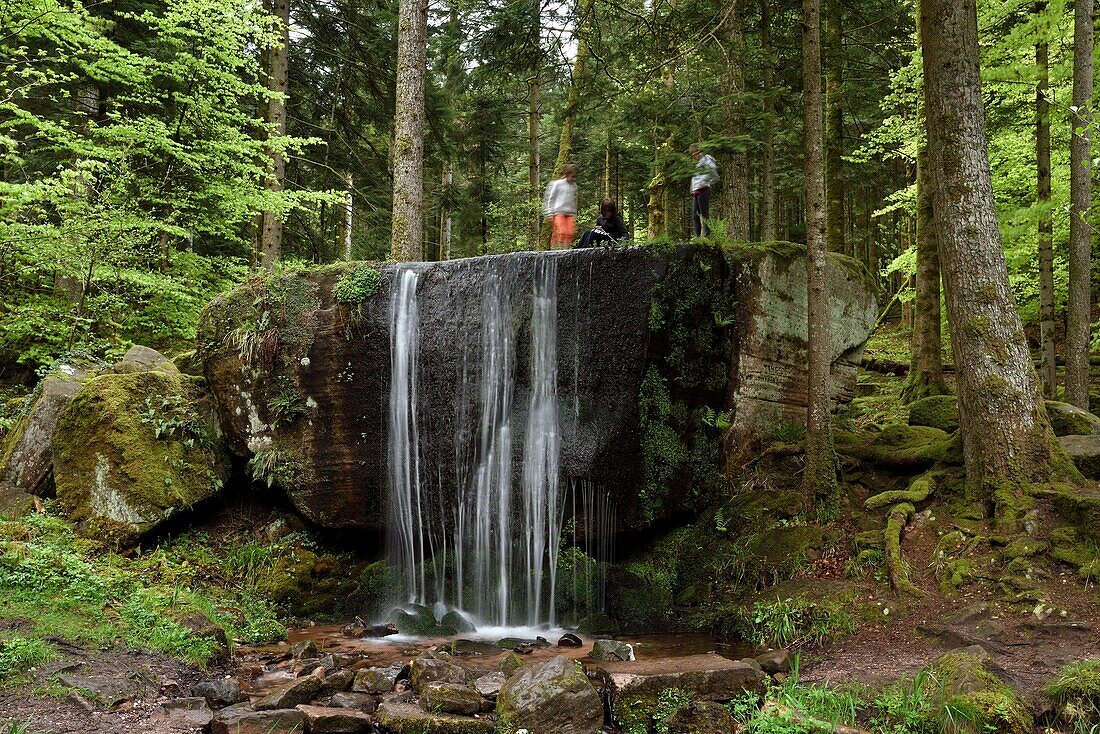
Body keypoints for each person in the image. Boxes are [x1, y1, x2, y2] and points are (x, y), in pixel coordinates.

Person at [544, 164, 579, 249]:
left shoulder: (574, 186)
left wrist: (575, 213)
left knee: (570, 233)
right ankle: (555, 249)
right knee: (562, 232)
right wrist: (549, 213)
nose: (574, 179)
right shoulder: (558, 184)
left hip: (570, 213)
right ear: (567, 174)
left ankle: (565, 251)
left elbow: (574, 200)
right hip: (558, 212)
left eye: (575, 177)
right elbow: (551, 198)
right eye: (572, 176)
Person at [689, 143, 719, 237]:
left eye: (694, 155)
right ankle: (697, 238)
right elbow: (695, 178)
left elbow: (713, 172)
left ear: (699, 152)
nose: (693, 157)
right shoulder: (699, 163)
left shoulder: (707, 159)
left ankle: (707, 236)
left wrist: (708, 182)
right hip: (696, 191)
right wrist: (692, 189)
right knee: (695, 215)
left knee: (704, 214)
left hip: (703, 190)